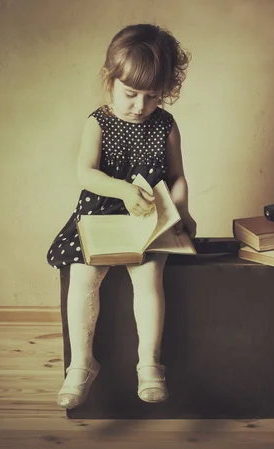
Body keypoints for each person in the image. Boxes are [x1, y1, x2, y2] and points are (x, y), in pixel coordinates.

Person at [46, 23, 196, 409]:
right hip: (101, 212)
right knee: (83, 277)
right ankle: (81, 365)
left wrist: (181, 211)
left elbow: (177, 176)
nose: (140, 106)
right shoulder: (98, 121)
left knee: (149, 278)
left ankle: (149, 363)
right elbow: (85, 172)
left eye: (152, 96)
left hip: (148, 218)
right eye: (130, 94)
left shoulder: (164, 125)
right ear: (109, 80)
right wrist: (123, 190)